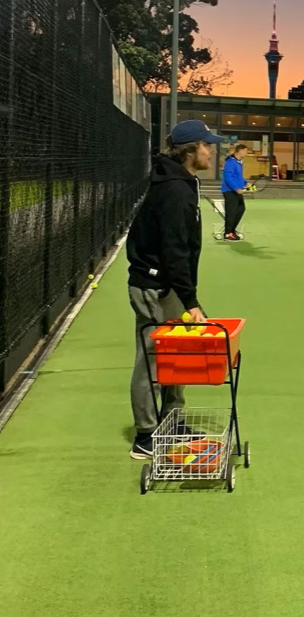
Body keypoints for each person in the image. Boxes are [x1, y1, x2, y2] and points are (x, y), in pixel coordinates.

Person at [126, 119, 223, 459]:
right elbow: (174, 249)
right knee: (152, 360)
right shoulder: (174, 189)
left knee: (176, 353)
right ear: (191, 150)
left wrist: (186, 294)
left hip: (169, 285)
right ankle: (145, 435)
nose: (212, 150)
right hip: (154, 286)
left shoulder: (182, 182)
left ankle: (172, 421)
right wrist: (190, 299)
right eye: (207, 145)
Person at [220, 143, 249, 240]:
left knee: (241, 209)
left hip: (236, 191)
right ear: (240, 150)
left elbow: (238, 176)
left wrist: (245, 183)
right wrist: (236, 188)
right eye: (245, 151)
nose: (246, 153)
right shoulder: (230, 162)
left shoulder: (239, 162)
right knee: (231, 212)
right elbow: (228, 177)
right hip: (230, 191)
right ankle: (228, 233)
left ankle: (231, 230)